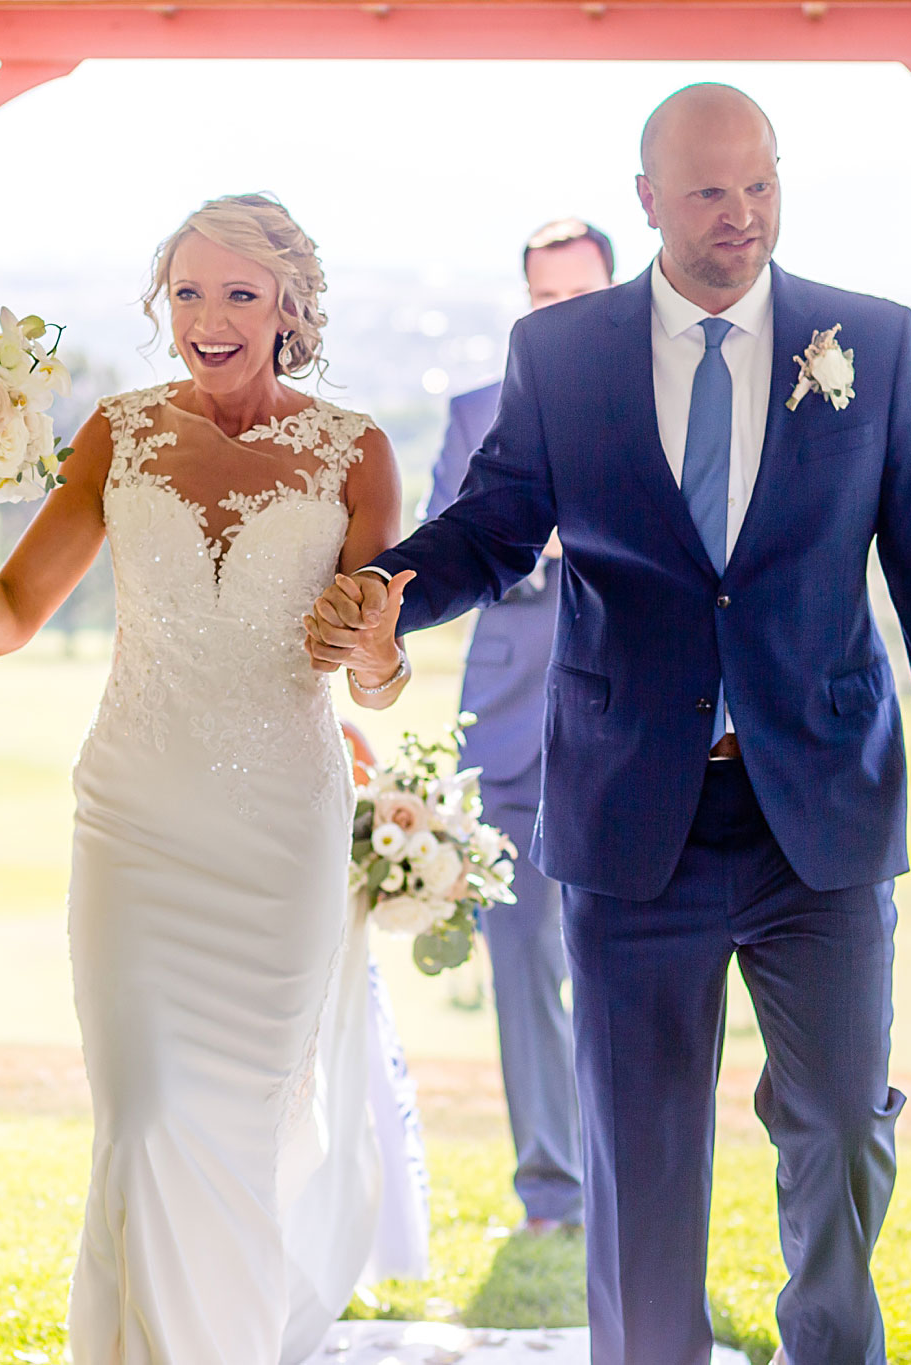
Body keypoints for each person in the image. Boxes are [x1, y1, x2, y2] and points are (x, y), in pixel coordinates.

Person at [305, 84, 911, 1365]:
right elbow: (493, 524)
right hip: (636, 813)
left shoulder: (874, 340)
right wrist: (385, 594)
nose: (740, 217)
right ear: (646, 200)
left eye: (761, 186)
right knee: (638, 1151)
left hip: (822, 811)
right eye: (707, 193)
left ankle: (828, 1350)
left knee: (843, 1121)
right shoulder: (561, 355)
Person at [0, 193, 404, 1365]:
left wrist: (372, 648)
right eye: (186, 292)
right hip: (135, 822)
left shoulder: (356, 449)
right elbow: (9, 619)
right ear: (160, 303)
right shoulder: (116, 434)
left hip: (280, 838)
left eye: (237, 293)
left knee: (232, 1133)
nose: (208, 318)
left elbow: (375, 675)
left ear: (288, 306)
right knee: (147, 1115)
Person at [423, 216, 616, 1235]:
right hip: (504, 728)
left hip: (627, 727)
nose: (563, 315)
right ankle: (551, 1191)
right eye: (545, 300)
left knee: (623, 965)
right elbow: (448, 558)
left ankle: (625, 1172)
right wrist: (523, 540)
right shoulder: (471, 416)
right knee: (521, 963)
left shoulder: (664, 401)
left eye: (579, 296)